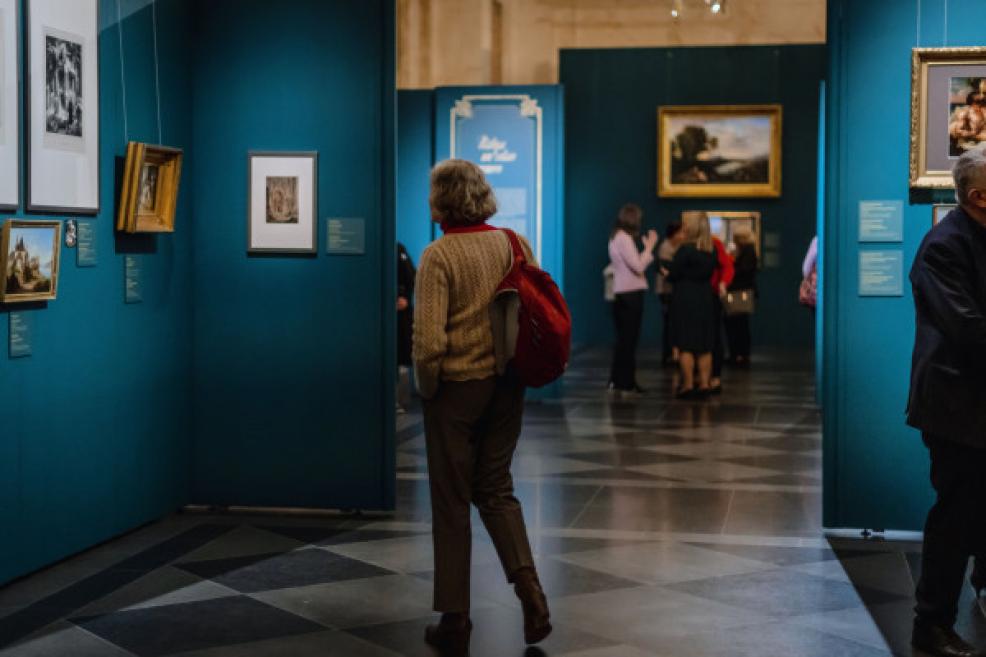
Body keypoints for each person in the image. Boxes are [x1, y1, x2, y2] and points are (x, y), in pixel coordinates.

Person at [413, 159, 551, 657]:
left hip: (457, 390)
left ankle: (456, 619)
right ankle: (531, 593)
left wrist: (427, 389)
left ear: (441, 199)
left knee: (451, 502)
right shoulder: (513, 243)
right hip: (508, 385)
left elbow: (429, 344)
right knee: (496, 489)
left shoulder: (439, 255)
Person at [908, 149, 986, 657]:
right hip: (958, 408)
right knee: (955, 517)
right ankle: (931, 623)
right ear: (980, 197)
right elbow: (968, 329)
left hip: (978, 401)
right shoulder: (944, 245)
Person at [607, 203, 659, 398]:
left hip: (622, 293)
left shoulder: (616, 237)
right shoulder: (624, 238)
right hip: (631, 293)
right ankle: (626, 382)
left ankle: (618, 380)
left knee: (623, 340)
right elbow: (638, 266)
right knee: (628, 340)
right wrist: (650, 248)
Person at [667, 211, 717, 399]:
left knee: (685, 342)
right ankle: (704, 383)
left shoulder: (684, 250)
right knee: (705, 343)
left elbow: (673, 274)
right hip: (705, 297)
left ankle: (688, 384)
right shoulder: (711, 250)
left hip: (685, 297)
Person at [724, 230, 758, 367]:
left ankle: (739, 354)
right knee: (740, 325)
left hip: (739, 291)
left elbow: (742, 271)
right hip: (742, 291)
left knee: (737, 325)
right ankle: (741, 354)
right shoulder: (748, 251)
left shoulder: (747, 252)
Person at [708, 229, 735, 394]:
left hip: (711, 295)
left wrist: (723, 283)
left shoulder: (715, 244)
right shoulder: (714, 243)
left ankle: (714, 376)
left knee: (714, 337)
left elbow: (727, 267)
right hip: (704, 295)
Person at [656, 222, 683, 366]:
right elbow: (667, 270)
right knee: (670, 323)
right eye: (680, 233)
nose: (682, 236)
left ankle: (673, 353)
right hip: (667, 291)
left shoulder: (676, 247)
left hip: (673, 290)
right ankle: (669, 354)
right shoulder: (665, 247)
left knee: (673, 323)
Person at [396, 242, 416, 413]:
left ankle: (400, 400)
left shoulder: (398, 249)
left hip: (400, 316)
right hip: (397, 315)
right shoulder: (397, 249)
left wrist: (404, 297)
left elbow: (411, 276)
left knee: (401, 355)